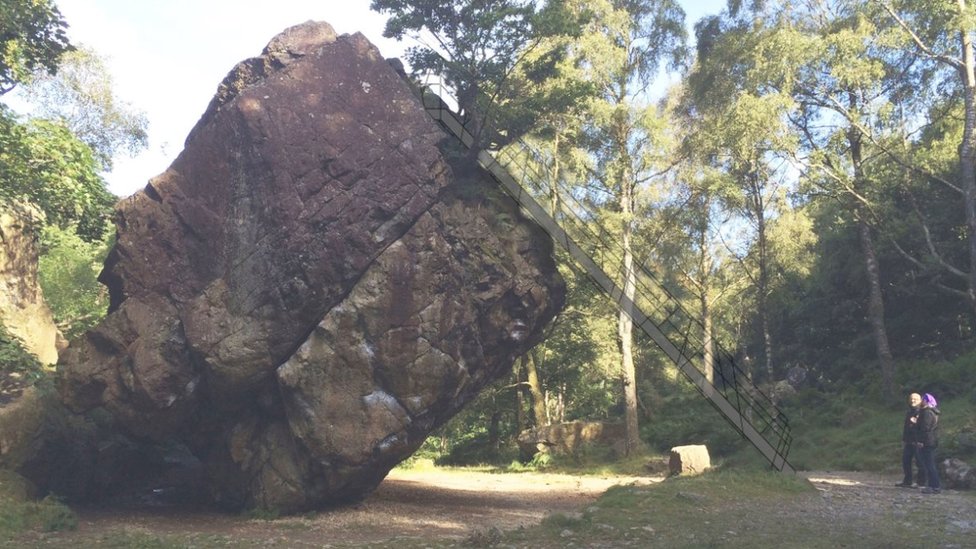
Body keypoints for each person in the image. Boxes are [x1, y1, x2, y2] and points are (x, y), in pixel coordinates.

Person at [896, 392, 926, 488]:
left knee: (920, 462)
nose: (913, 401)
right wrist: (904, 439)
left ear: (920, 400)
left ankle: (921, 482)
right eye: (911, 399)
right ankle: (907, 480)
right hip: (909, 441)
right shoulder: (909, 412)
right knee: (906, 461)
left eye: (915, 399)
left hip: (918, 441)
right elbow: (906, 427)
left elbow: (924, 427)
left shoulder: (922, 412)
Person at [916, 392, 942, 494]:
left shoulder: (927, 412)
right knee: (929, 463)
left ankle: (934, 486)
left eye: (922, 399)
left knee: (929, 464)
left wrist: (921, 441)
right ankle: (932, 485)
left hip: (927, 441)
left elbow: (925, 428)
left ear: (926, 401)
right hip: (930, 440)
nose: (921, 401)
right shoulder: (932, 412)